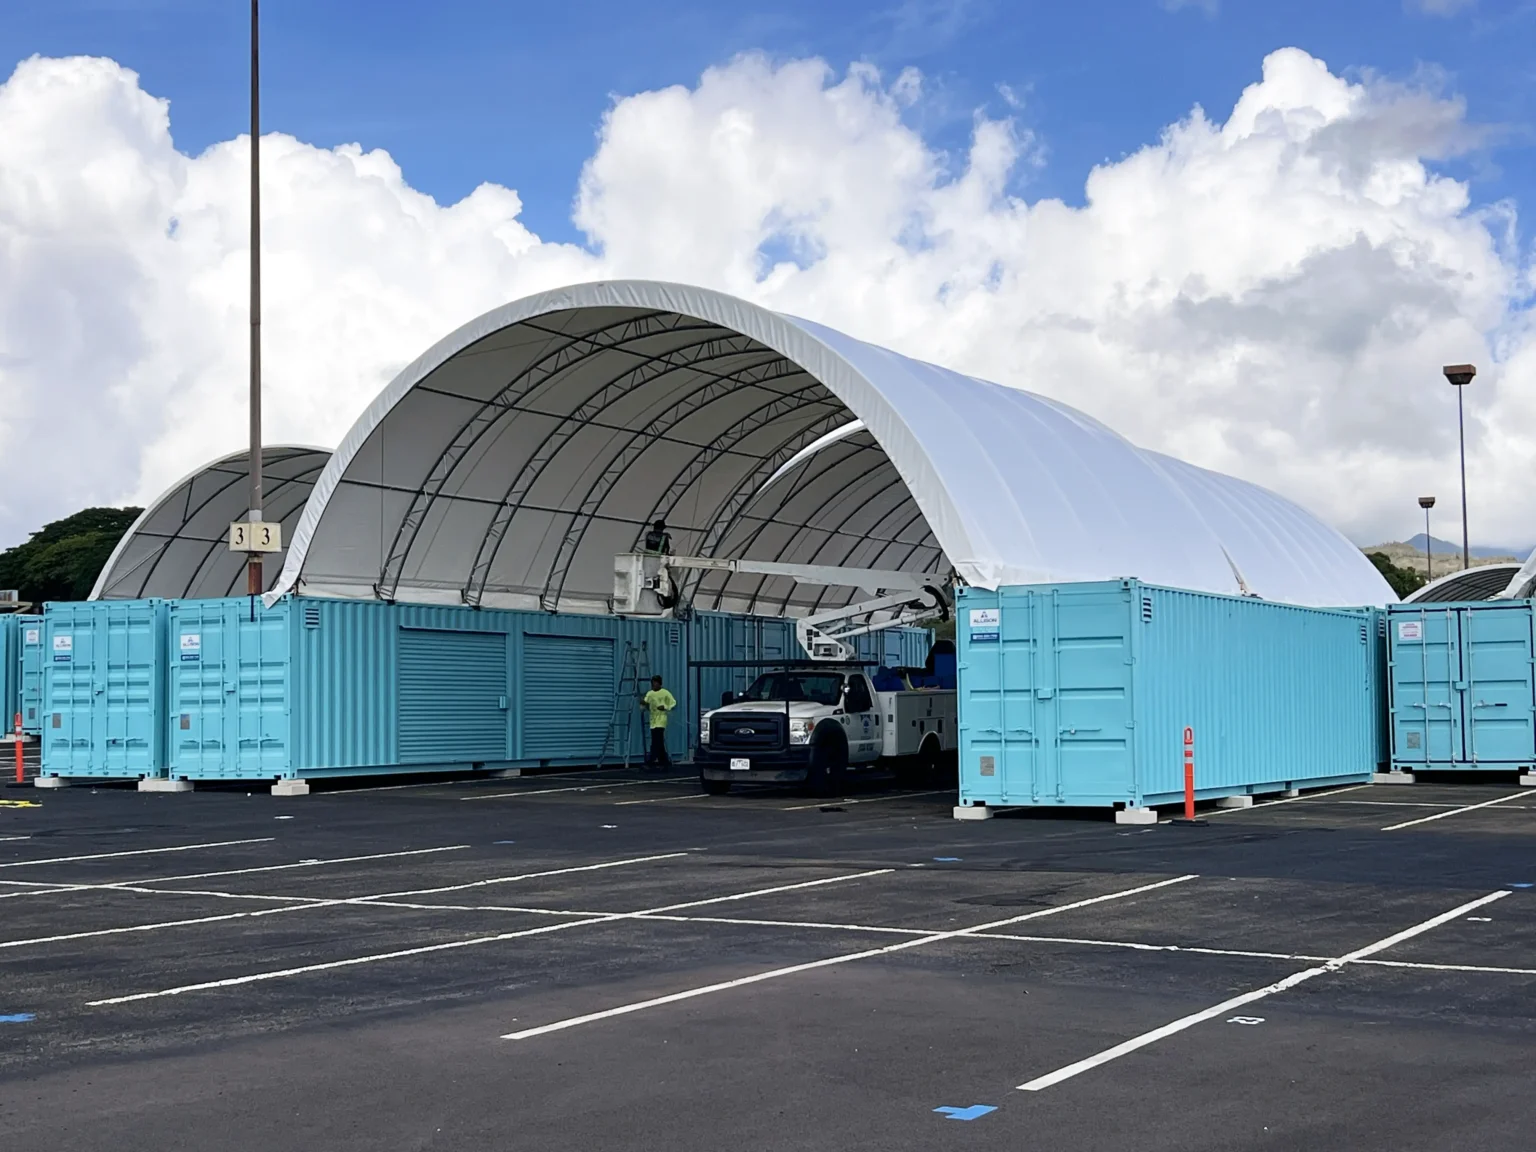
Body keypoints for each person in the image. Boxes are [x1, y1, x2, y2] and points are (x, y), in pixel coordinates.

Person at [641, 675, 676, 768]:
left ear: (660, 683)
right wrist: (643, 704)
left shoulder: (665, 693)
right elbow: (645, 702)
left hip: (661, 720)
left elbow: (673, 703)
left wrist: (665, 707)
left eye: (656, 683)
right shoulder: (650, 693)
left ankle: (652, 759)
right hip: (653, 720)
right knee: (658, 740)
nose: (654, 684)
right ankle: (663, 760)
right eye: (653, 683)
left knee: (656, 739)